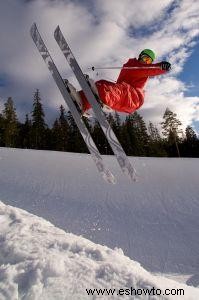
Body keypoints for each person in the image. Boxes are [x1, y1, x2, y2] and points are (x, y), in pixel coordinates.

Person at [78, 49, 171, 115]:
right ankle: (82, 100)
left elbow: (151, 70)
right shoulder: (131, 66)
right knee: (101, 84)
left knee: (117, 89)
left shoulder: (143, 69)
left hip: (133, 98)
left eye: (149, 61)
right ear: (140, 57)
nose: (146, 62)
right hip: (121, 98)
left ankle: (102, 97)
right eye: (145, 58)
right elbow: (146, 69)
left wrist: (160, 67)